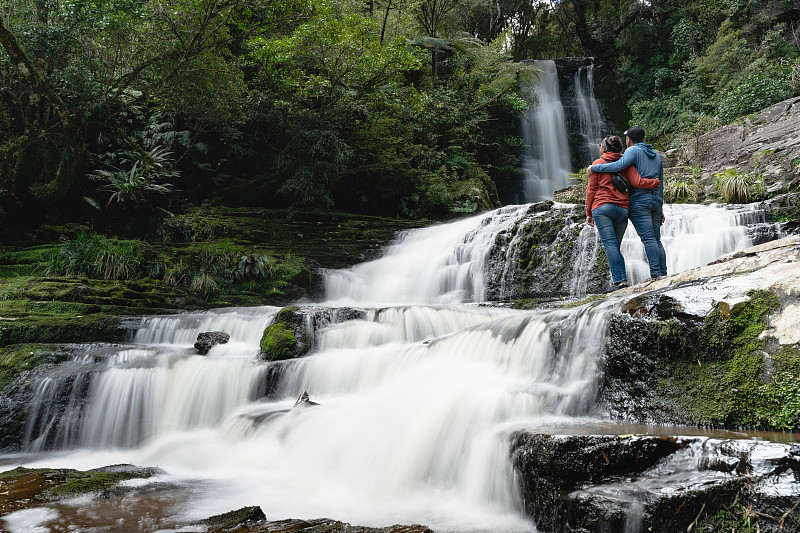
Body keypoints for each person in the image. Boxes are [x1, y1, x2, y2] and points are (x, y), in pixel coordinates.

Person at [587, 126, 667, 280]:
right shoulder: (656, 156)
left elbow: (617, 166)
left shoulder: (632, 151)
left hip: (640, 200)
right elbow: (661, 183)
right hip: (655, 199)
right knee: (656, 239)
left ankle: (656, 274)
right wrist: (660, 206)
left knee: (648, 238)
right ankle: (663, 273)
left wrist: (595, 168)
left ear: (629, 139)